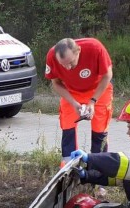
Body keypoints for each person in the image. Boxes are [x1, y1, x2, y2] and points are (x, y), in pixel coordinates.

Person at [45, 37, 114, 165]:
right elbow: (56, 83)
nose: (67, 67)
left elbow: (108, 75)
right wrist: (73, 103)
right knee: (67, 128)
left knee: (100, 131)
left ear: (78, 51)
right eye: (63, 64)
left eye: (71, 62)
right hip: (71, 92)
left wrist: (92, 101)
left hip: (98, 89)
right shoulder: (51, 56)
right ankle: (69, 169)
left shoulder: (95, 48)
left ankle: (98, 172)